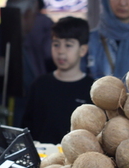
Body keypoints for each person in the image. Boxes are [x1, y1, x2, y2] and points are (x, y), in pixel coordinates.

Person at [20, 17, 93, 146]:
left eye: (68, 45)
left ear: (82, 50)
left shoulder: (91, 89)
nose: (61, 51)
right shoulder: (39, 85)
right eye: (56, 44)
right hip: (42, 156)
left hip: (75, 156)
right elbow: (26, 128)